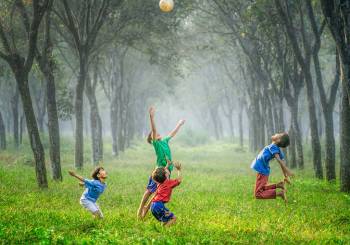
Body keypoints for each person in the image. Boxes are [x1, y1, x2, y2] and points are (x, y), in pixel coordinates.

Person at [137, 106, 185, 219]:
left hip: (167, 171)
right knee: (150, 191)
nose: (158, 133)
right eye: (155, 134)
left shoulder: (164, 141)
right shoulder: (156, 144)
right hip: (159, 172)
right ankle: (141, 208)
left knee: (159, 191)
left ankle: (146, 208)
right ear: (152, 138)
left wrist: (179, 124)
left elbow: (172, 133)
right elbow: (153, 130)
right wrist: (151, 118)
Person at [251, 132, 293, 202]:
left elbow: (279, 160)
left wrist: (287, 170)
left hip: (262, 170)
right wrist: (285, 176)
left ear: (278, 139)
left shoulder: (273, 147)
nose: (276, 133)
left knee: (258, 194)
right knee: (262, 188)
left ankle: (280, 193)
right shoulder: (276, 148)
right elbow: (282, 162)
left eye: (278, 134)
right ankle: (279, 185)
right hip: (263, 169)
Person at [145, 161, 182, 227]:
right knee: (173, 218)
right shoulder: (168, 183)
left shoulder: (159, 182)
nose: (167, 170)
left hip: (153, 206)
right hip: (159, 206)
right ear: (166, 175)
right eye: (166, 170)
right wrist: (179, 170)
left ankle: (162, 230)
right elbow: (179, 181)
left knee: (165, 220)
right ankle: (164, 231)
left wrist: (167, 165)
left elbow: (161, 173)